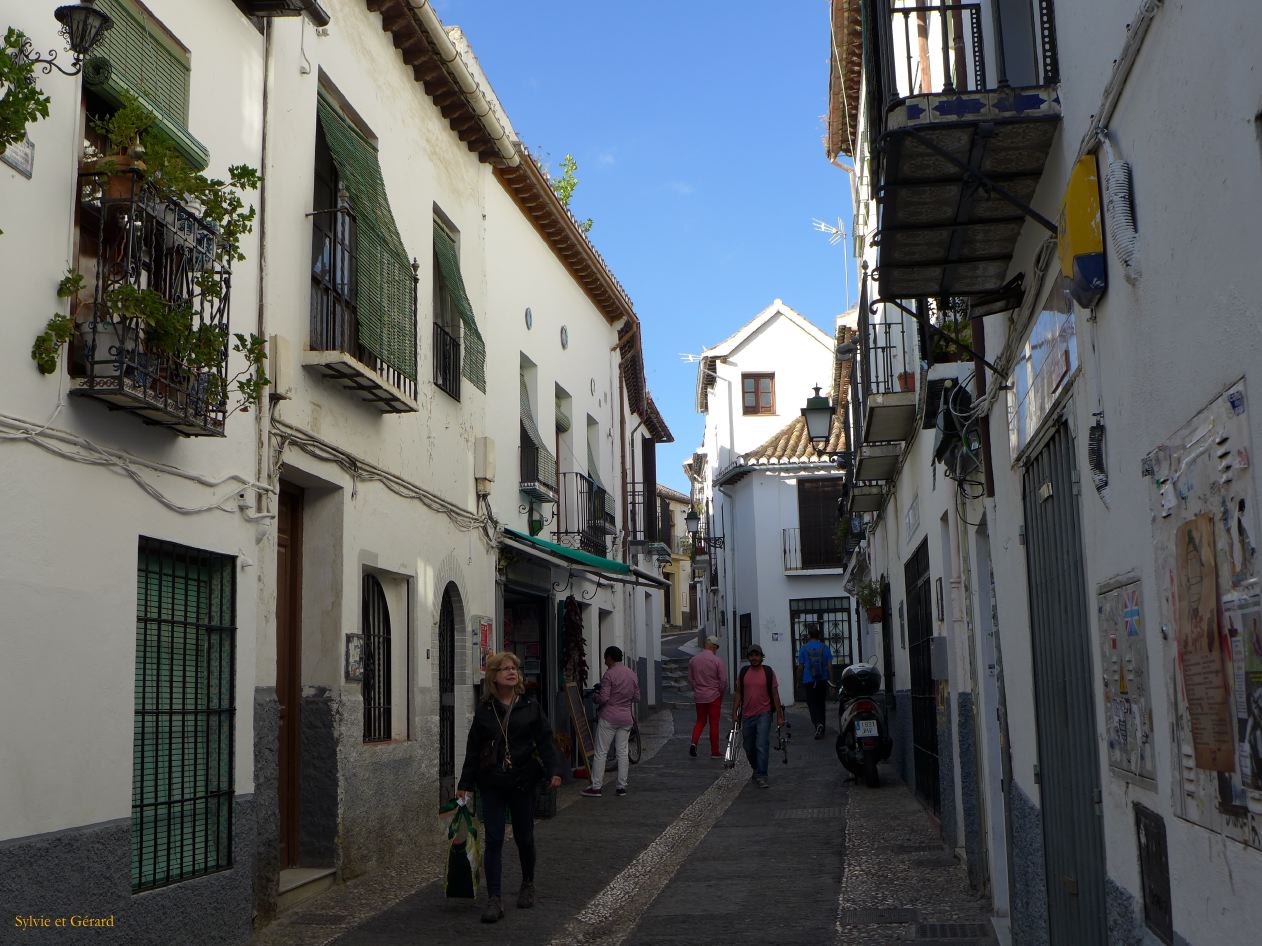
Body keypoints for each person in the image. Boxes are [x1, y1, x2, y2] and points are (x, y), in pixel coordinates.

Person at [457, 651, 562, 924]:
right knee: (493, 839)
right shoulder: (484, 711)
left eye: (514, 668)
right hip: (491, 783)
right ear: (494, 677)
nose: (511, 672)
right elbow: (473, 750)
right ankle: (494, 898)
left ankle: (528, 883)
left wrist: (553, 771)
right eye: (504, 669)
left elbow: (545, 741)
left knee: (524, 837)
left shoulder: (530, 706)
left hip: (522, 782)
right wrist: (464, 785)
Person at [581, 646, 641, 797]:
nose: (604, 660)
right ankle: (621, 787)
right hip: (626, 718)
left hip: (609, 717)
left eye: (605, 657)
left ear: (609, 658)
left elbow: (604, 698)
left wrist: (595, 698)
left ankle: (596, 787)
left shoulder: (609, 674)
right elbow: (637, 697)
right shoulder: (632, 674)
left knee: (601, 752)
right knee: (622, 751)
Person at [731, 644, 784, 788]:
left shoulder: (768, 672)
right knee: (748, 746)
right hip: (747, 715)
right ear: (748, 657)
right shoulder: (743, 673)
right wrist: (734, 712)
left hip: (764, 714)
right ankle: (756, 767)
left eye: (757, 655)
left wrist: (779, 716)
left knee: (761, 744)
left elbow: (775, 694)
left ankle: (762, 774)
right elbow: (738, 694)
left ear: (761, 657)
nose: (754, 658)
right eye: (751, 655)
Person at [688, 635, 728, 757]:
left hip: (700, 696)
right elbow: (723, 681)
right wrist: (720, 692)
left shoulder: (693, 660)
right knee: (714, 723)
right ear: (713, 646)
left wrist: (697, 688)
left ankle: (694, 743)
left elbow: (690, 679)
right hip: (714, 696)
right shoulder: (717, 661)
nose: (716, 650)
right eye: (716, 647)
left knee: (700, 721)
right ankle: (715, 751)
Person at [796, 625, 833, 739]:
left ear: (809, 636)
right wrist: (831, 682)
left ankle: (817, 724)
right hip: (822, 679)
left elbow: (800, 667)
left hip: (809, 680)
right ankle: (821, 725)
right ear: (819, 636)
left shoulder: (804, 648)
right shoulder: (825, 647)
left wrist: (798, 681)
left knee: (812, 704)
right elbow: (830, 666)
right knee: (821, 703)